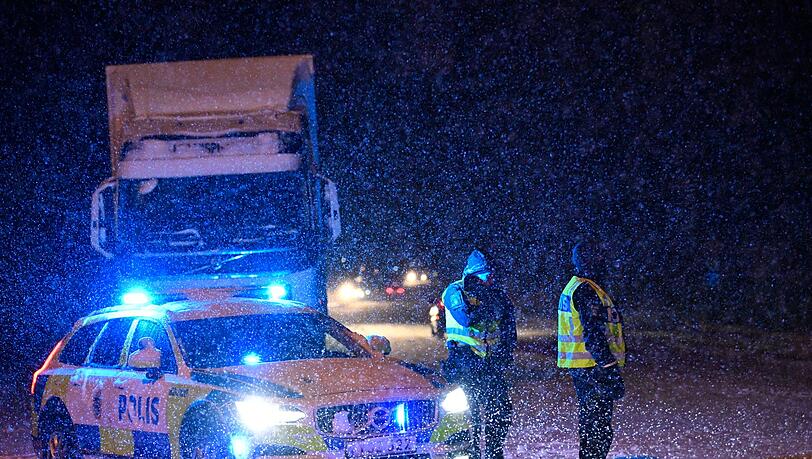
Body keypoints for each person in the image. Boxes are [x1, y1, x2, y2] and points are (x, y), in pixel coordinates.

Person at [442, 249, 517, 459]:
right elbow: (465, 319)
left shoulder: (496, 294)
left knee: (500, 410)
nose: (491, 279)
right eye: (486, 275)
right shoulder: (454, 291)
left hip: (490, 363)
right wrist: (487, 302)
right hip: (463, 361)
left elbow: (509, 326)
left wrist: (506, 352)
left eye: (492, 275)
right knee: (465, 415)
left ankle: (494, 452)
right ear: (474, 274)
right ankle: (469, 453)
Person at [558, 241, 626, 459]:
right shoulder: (586, 290)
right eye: (600, 258)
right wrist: (609, 367)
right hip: (593, 366)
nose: (604, 262)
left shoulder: (577, 286)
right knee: (598, 428)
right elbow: (593, 334)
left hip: (584, 366)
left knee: (592, 425)